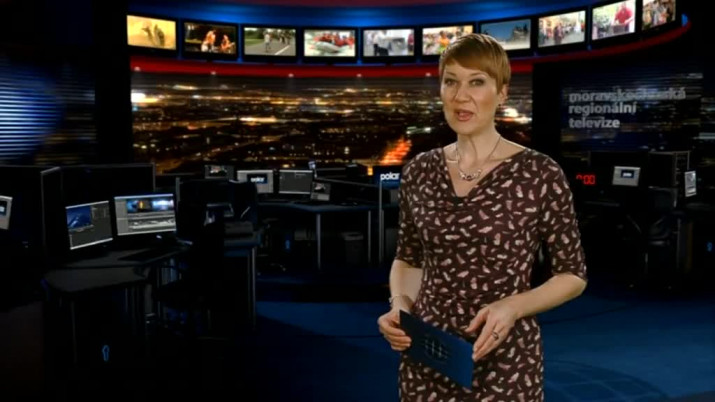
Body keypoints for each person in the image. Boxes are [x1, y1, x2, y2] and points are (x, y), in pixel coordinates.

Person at [377, 33, 587, 401]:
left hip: (505, 358)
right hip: (428, 352)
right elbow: (409, 259)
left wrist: (512, 306)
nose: (461, 96)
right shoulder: (419, 171)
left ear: (502, 92)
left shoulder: (539, 173)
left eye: (476, 82)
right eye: (451, 82)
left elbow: (572, 275)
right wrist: (400, 306)